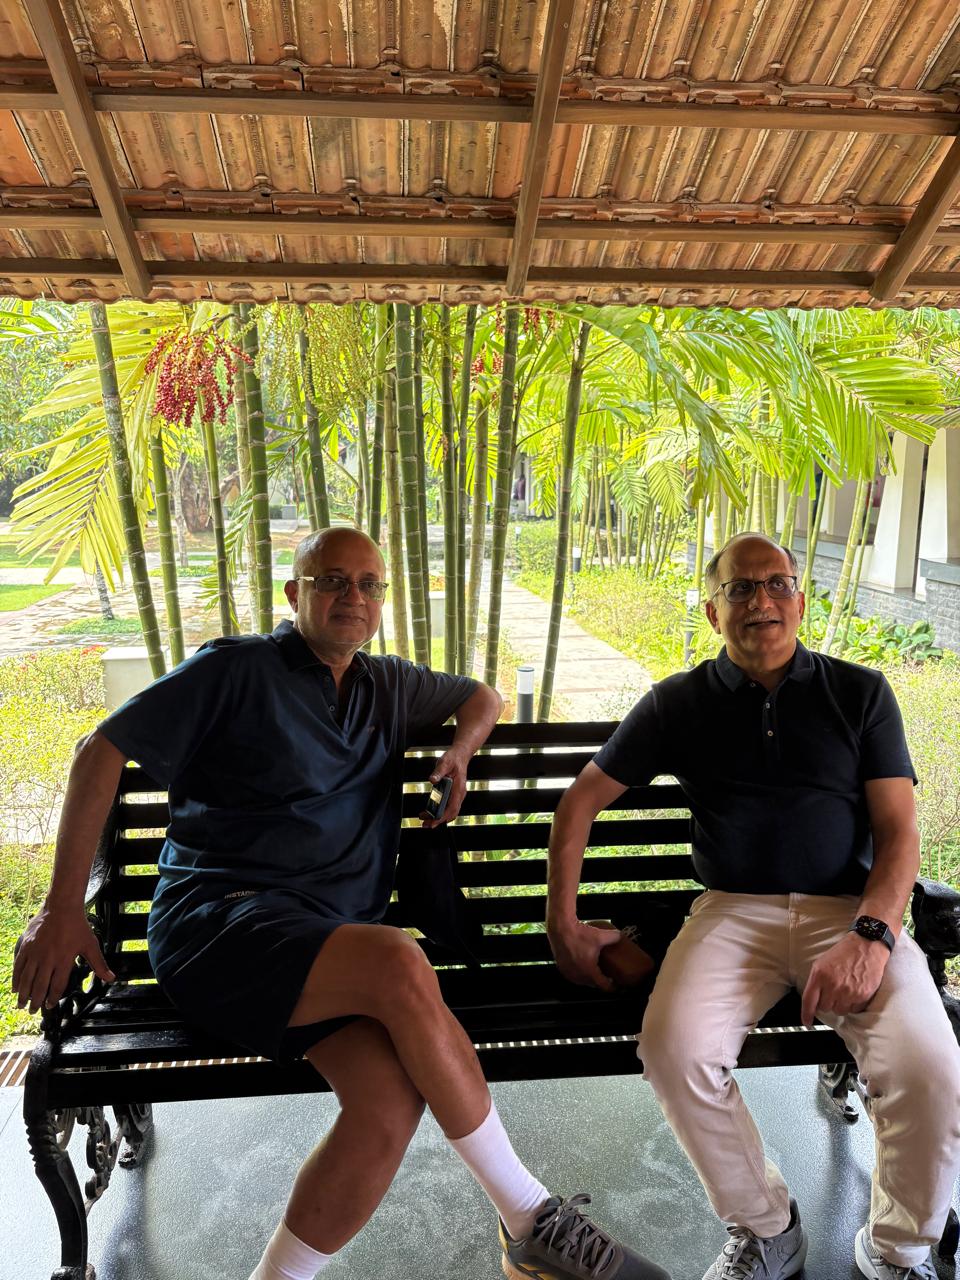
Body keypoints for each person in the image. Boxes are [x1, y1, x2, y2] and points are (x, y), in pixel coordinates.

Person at [13, 526, 670, 1280]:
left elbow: (480, 696)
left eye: (368, 584)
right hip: (221, 928)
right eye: (331, 580)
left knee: (388, 1103)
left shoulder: (386, 684)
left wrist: (460, 749)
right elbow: (99, 750)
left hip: (324, 947)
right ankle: (531, 1219)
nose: (352, 596)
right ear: (296, 594)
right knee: (396, 958)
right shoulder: (236, 669)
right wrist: (62, 908)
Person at [546, 531, 960, 1280]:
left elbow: (900, 834)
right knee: (674, 1049)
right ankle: (767, 1228)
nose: (761, 600)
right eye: (740, 587)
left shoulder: (860, 693)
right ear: (714, 611)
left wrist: (872, 934)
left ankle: (899, 1250)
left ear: (800, 602)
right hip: (732, 912)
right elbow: (579, 804)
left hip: (850, 912)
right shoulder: (677, 703)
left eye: (777, 584)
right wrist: (561, 922)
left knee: (932, 1065)